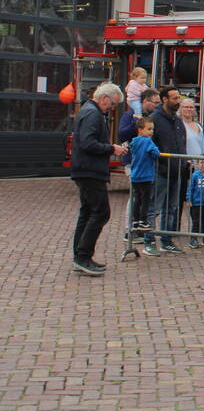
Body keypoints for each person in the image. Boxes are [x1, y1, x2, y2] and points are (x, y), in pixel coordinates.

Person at [69, 82, 128, 276]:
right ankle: (83, 255)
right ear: (104, 98)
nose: (112, 109)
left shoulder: (88, 111)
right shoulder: (93, 114)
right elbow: (88, 143)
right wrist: (112, 148)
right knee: (101, 212)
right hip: (90, 170)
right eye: (112, 105)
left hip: (85, 169)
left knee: (87, 212)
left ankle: (80, 255)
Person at [143, 86, 187, 256]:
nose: (178, 101)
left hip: (176, 171)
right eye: (174, 98)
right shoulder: (154, 119)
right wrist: (159, 163)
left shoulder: (177, 120)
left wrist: (183, 161)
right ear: (164, 100)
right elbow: (148, 144)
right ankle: (149, 240)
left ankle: (166, 240)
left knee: (172, 207)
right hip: (160, 171)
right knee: (154, 208)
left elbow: (180, 142)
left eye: (178, 98)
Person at [126, 117, 159, 233]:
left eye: (152, 129)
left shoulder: (134, 141)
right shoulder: (148, 141)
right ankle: (143, 221)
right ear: (140, 130)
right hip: (146, 175)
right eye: (149, 129)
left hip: (135, 175)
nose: (151, 132)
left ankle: (135, 221)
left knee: (137, 199)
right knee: (146, 199)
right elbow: (156, 153)